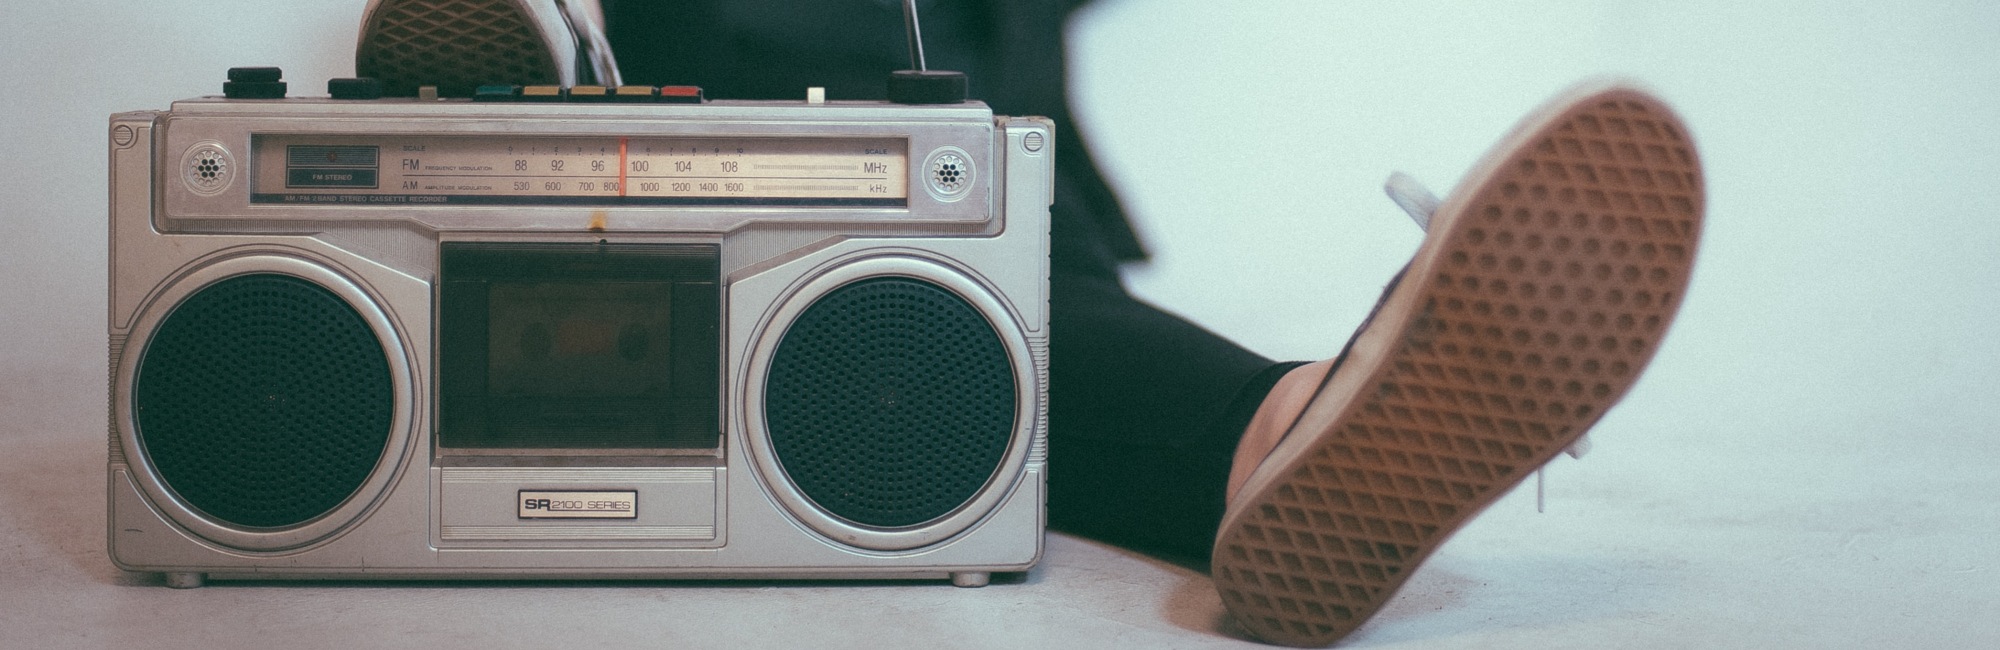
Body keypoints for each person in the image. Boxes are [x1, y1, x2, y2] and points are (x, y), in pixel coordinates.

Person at [355, 1, 1706, 645]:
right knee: (979, 274)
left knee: (983, 284)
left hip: (973, 98)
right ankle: (1277, 424)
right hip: (815, 70)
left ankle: (1291, 427)